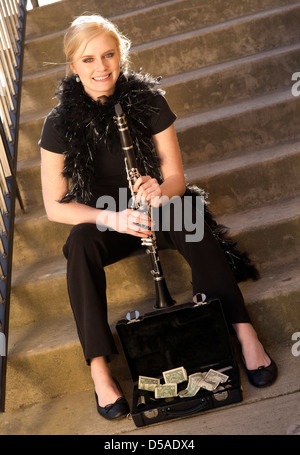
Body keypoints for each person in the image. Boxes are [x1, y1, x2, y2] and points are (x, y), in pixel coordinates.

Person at [39, 15, 277, 420]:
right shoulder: (58, 124)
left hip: (155, 208)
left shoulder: (148, 101)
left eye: (109, 55)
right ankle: (99, 369)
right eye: (88, 59)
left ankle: (244, 332)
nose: (101, 68)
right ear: (73, 66)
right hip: (107, 219)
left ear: (121, 55)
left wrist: (159, 191)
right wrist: (112, 220)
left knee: (190, 215)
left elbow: (177, 179)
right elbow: (55, 206)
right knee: (78, 245)